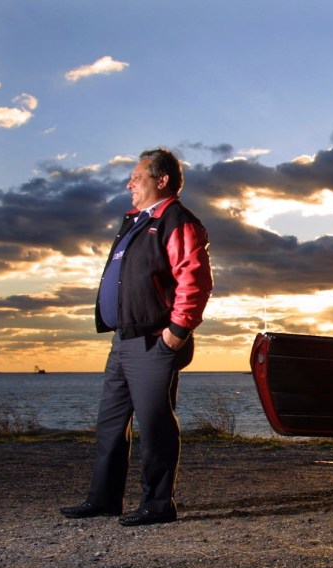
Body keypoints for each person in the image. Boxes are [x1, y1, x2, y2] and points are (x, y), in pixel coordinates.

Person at [60, 147, 213, 526]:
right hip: (124, 340)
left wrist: (176, 333)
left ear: (162, 181)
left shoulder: (177, 220)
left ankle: (158, 505)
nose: (129, 183)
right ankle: (104, 499)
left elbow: (194, 280)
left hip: (153, 342)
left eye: (137, 177)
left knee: (155, 423)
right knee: (110, 422)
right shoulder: (135, 222)